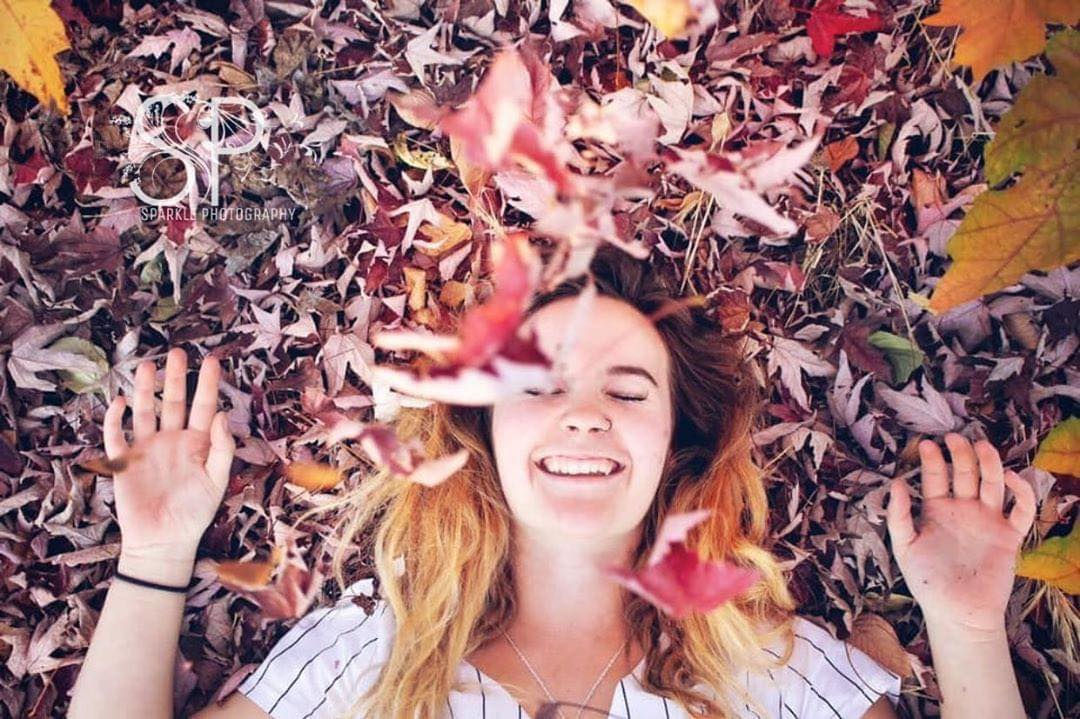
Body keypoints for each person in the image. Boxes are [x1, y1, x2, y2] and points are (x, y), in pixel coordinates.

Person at [68, 247, 1036, 719]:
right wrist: (155, 555)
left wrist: (967, 629)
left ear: (678, 442)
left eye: (628, 389)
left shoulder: (767, 670)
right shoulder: (367, 658)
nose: (585, 414)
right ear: (485, 428)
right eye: (540, 384)